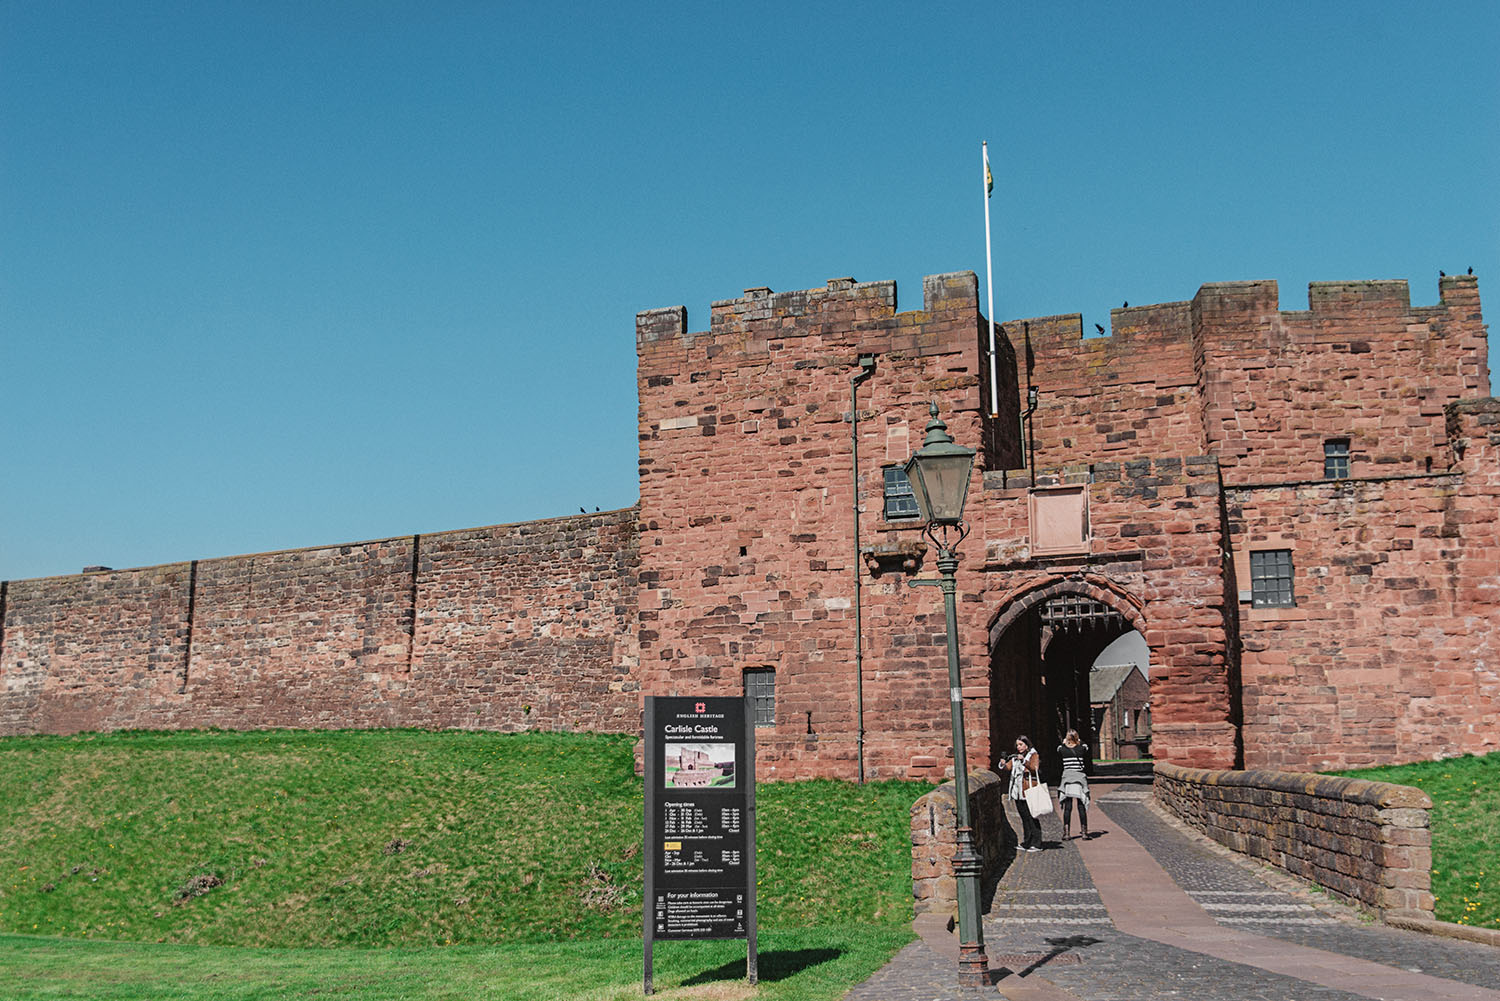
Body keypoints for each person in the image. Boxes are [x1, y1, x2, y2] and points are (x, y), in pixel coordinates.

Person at [1004, 735, 1044, 852]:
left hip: (1028, 790)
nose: (1018, 747)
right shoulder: (1016, 757)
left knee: (1032, 816)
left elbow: (1034, 768)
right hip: (1017, 791)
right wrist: (1003, 763)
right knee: (1024, 817)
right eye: (1017, 745)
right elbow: (1008, 767)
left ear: (1027, 745)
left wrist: (1024, 761)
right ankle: (1027, 841)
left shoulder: (1033, 755)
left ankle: (1037, 843)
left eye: (1021, 744)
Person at [1057, 729, 1090, 840]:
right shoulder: (1081, 749)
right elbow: (1086, 746)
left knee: (1068, 807)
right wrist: (1078, 740)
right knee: (1081, 806)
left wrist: (1065, 741)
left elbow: (1059, 747)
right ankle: (1084, 832)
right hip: (1079, 779)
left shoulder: (1062, 749)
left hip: (1067, 779)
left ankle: (1066, 833)